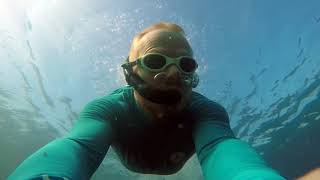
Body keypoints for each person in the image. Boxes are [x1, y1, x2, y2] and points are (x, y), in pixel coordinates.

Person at [8, 22, 287, 180]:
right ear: (131, 71)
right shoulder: (108, 109)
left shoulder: (206, 111)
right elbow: (78, 147)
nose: (174, 73)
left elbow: (221, 149)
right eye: (156, 61)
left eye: (185, 64)